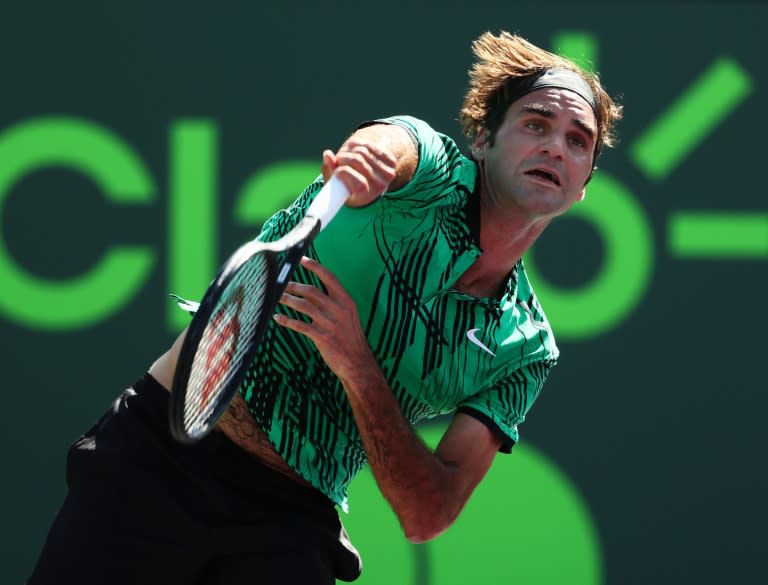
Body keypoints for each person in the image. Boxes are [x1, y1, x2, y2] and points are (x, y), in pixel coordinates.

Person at [28, 31, 622, 584]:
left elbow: (427, 514)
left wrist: (358, 367)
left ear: (584, 184)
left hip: (290, 520)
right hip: (161, 462)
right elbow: (388, 146)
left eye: (578, 141)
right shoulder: (430, 167)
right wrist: (367, 162)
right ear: (483, 139)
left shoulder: (526, 349)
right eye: (536, 123)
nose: (555, 147)